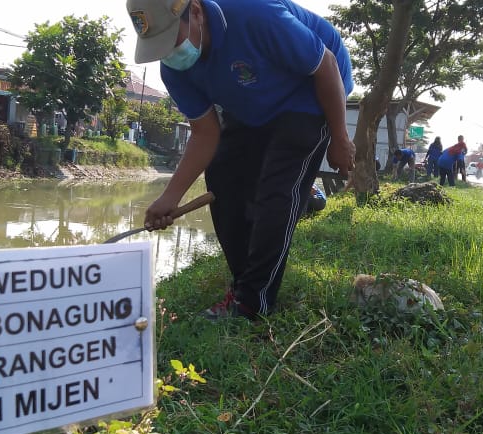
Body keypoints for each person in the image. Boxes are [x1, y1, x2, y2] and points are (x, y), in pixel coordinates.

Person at [127, 0, 355, 320]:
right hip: (253, 103)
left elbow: (326, 65)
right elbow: (205, 134)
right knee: (223, 176)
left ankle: (252, 304)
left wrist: (340, 137)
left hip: (311, 90)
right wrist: (170, 197)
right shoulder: (175, 69)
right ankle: (244, 282)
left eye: (171, 40)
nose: (169, 54)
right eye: (158, 47)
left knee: (277, 189)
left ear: (194, 11)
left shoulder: (255, 14)